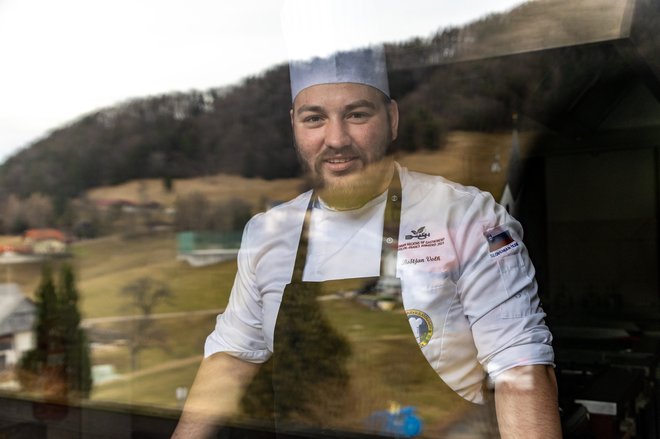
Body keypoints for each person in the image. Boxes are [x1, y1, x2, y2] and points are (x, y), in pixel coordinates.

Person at [173, 46, 561, 438]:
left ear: (391, 119)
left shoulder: (466, 218)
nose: (337, 139)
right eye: (315, 118)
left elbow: (519, 366)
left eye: (357, 114)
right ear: (294, 125)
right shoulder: (267, 233)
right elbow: (231, 357)